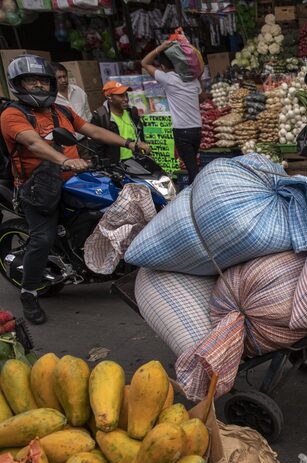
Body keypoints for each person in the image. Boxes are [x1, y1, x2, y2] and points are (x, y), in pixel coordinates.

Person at [0, 55, 153, 325]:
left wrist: (130, 143)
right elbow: (33, 143)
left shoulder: (61, 111)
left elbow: (92, 130)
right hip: (39, 188)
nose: (37, 85)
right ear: (18, 84)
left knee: (110, 206)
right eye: (30, 80)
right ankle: (29, 294)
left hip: (74, 179)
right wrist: (64, 160)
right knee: (42, 238)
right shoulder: (13, 114)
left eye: (42, 80)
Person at [141, 41, 202, 183]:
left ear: (163, 67)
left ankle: (196, 195)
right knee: (193, 165)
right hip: (197, 130)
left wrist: (160, 48)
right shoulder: (193, 80)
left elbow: (144, 63)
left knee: (192, 170)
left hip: (182, 131)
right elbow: (201, 96)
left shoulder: (168, 79)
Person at [90, 81, 148, 163]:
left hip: (137, 160)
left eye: (126, 95)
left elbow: (139, 134)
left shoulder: (132, 111)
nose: (126, 99)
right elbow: (96, 146)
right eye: (121, 96)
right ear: (109, 97)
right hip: (116, 165)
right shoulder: (100, 116)